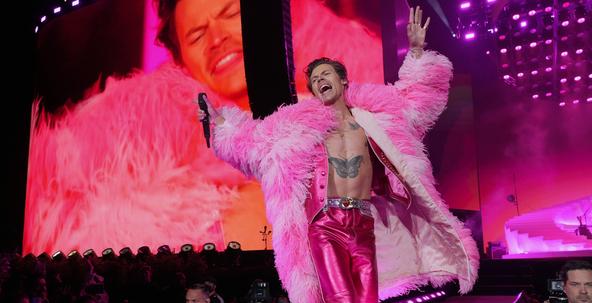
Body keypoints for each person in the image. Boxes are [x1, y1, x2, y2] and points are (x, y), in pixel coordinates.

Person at [199, 6, 479, 303]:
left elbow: (418, 102)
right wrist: (220, 120)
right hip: (325, 225)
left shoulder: (377, 120)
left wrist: (418, 54)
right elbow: (252, 144)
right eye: (314, 79)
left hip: (363, 225)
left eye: (325, 74)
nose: (319, 81)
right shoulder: (299, 127)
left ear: (343, 81)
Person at [25, 0, 385, 255]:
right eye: (196, 36)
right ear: (182, 61)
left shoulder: (338, 108)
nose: (216, 39)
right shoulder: (167, 171)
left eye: (230, 14)